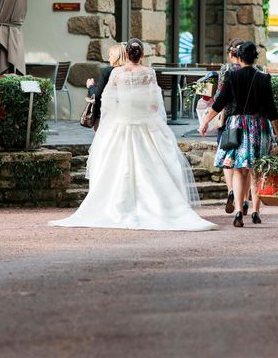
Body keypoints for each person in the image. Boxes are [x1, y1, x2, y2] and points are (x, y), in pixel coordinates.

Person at [50, 39, 218, 231]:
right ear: (142, 55)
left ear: (126, 54)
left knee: (114, 165)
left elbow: (108, 101)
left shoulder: (116, 73)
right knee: (154, 164)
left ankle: (115, 207)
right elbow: (155, 103)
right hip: (145, 123)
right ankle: (160, 206)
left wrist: (109, 122)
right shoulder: (149, 73)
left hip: (120, 123)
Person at [199, 41, 278, 227]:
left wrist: (205, 122)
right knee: (256, 170)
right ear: (255, 57)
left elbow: (219, 104)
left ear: (239, 56)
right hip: (259, 127)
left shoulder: (232, 77)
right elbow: (272, 110)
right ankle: (255, 211)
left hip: (237, 125)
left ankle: (238, 210)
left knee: (238, 170)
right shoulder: (263, 78)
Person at [215, 37, 252, 216]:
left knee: (228, 159)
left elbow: (219, 96)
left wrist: (207, 119)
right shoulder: (255, 71)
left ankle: (231, 190)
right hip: (249, 122)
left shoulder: (226, 70)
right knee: (245, 164)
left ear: (232, 54)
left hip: (229, 120)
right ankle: (244, 199)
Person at [86, 43, 127, 131]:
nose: (109, 59)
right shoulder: (129, 72)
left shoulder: (108, 71)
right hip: (124, 116)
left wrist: (90, 86)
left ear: (116, 56)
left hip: (105, 116)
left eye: (110, 56)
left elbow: (96, 96)